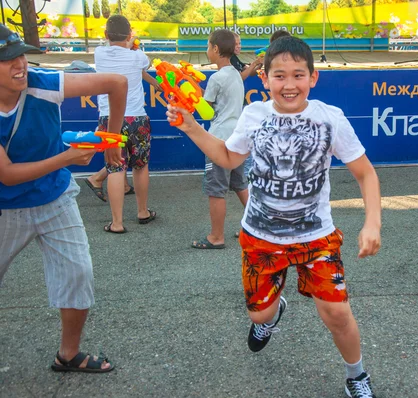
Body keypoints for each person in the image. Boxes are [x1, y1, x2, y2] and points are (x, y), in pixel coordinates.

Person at [166, 36, 382, 398]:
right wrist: (191, 126)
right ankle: (272, 312)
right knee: (258, 316)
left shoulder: (331, 119)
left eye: (299, 75)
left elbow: (366, 173)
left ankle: (356, 375)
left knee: (337, 313)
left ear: (313, 78)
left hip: (316, 237)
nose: (289, 84)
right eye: (279, 76)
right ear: (264, 79)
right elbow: (228, 158)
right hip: (261, 238)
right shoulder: (254, 116)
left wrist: (372, 222)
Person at [0, 24, 126, 372]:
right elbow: (7, 174)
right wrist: (69, 157)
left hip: (55, 197)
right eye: (6, 59)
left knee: (77, 274)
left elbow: (116, 83)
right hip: (5, 207)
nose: (19, 65)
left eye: (20, 55)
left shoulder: (43, 82)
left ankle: (68, 355)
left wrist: (112, 139)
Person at [94, 15, 159, 233]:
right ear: (130, 35)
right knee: (140, 166)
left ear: (106, 36)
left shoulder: (99, 53)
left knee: (115, 168)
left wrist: (128, 43)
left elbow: (115, 48)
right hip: (136, 118)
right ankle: (142, 212)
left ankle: (117, 223)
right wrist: (133, 45)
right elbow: (146, 64)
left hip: (109, 118)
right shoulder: (138, 56)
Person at [191, 29, 248, 249]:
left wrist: (192, 92)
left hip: (219, 139)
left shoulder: (216, 77)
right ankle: (256, 226)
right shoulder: (234, 73)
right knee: (240, 184)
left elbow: (206, 111)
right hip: (237, 137)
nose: (207, 50)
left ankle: (216, 236)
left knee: (216, 190)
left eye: (208, 46)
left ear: (216, 49)